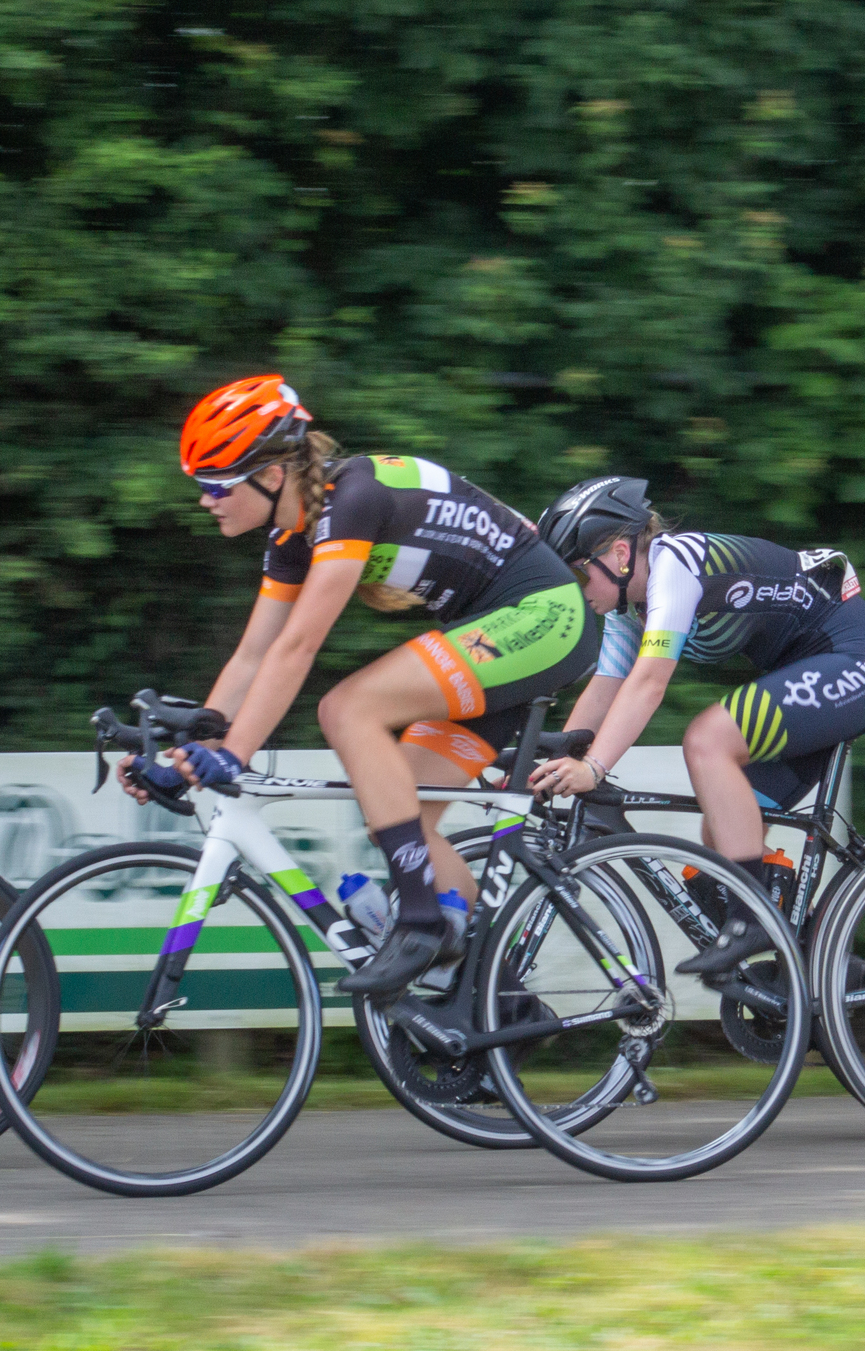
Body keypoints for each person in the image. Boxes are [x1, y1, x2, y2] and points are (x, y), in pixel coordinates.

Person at [142, 376, 599, 995]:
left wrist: (232, 755)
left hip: (543, 619)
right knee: (403, 815)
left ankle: (418, 923)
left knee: (348, 708)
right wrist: (192, 747)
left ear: (271, 475)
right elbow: (252, 654)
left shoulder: (350, 500)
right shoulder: (292, 538)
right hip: (498, 643)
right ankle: (501, 1005)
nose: (205, 501)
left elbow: (297, 648)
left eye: (215, 485)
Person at [525, 477, 865, 975]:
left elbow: (649, 682)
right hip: (811, 673)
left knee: (707, 740)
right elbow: (608, 686)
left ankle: (751, 921)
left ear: (619, 554)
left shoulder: (674, 566)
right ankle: (818, 958)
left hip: (855, 658)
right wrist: (559, 762)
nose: (579, 592)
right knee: (721, 842)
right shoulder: (628, 608)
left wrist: (594, 768)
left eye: (579, 576)